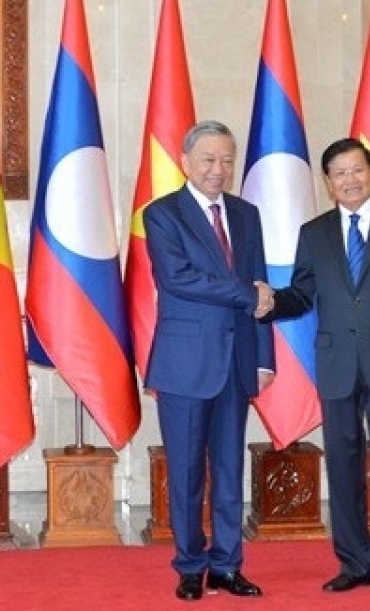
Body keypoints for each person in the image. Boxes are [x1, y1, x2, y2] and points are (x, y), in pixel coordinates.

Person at [261, 137, 370, 600]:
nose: (350, 180)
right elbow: (301, 294)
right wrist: (267, 301)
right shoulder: (314, 233)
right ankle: (355, 562)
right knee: (342, 463)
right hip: (335, 364)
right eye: (339, 174)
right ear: (328, 182)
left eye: (357, 170)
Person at [143, 120, 276, 601]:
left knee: (228, 471)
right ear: (186, 161)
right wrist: (245, 293)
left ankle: (226, 565)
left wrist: (264, 357)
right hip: (184, 364)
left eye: (226, 160)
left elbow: (261, 288)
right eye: (208, 160)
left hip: (237, 363)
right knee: (185, 474)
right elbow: (179, 278)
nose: (218, 170)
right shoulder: (162, 214)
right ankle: (189, 565)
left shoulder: (246, 214)